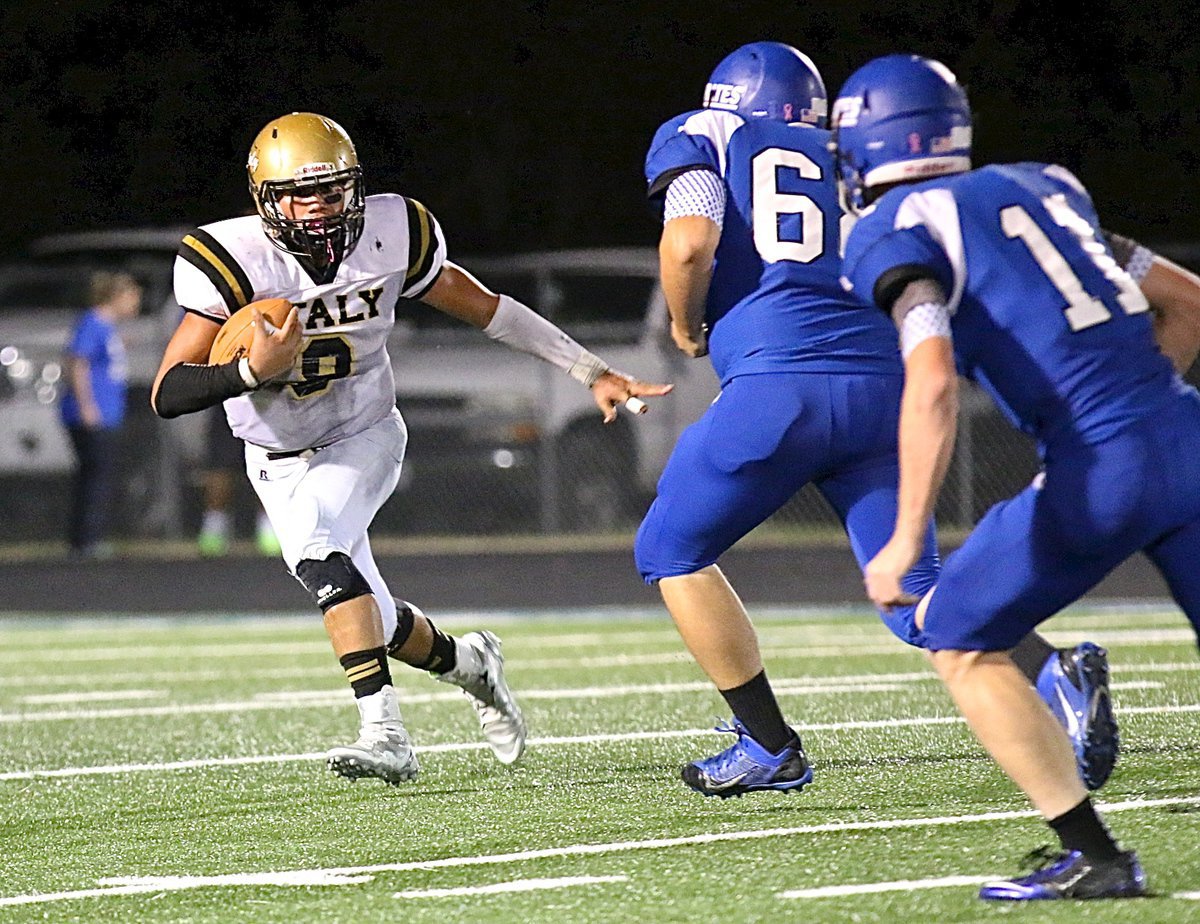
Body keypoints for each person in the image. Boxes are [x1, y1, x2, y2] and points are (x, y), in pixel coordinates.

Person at [636, 42, 1119, 800]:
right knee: (912, 588)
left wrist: (685, 324)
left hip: (779, 387)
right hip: (887, 386)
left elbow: (691, 238)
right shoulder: (849, 150)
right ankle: (1051, 667)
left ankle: (767, 744)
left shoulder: (709, 133)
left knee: (670, 550)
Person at [151, 112, 672, 786]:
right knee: (374, 611)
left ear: (355, 187)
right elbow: (169, 391)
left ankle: (386, 735)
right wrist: (253, 370)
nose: (319, 210)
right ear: (266, 201)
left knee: (320, 558)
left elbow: (489, 309)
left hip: (362, 431)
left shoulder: (395, 232)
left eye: (332, 191)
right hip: (274, 459)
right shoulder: (230, 258)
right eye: (300, 196)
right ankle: (473, 665)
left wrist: (590, 370)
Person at [834, 54, 1200, 900]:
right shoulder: (1048, 186)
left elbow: (929, 381)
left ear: (864, 146)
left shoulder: (897, 228)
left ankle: (1095, 856)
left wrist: (900, 540)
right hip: (1184, 431)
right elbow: (1187, 300)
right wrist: (1144, 403)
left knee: (956, 634)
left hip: (1099, 467)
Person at [60, 271, 143, 558]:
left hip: (105, 413)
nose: (135, 305)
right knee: (97, 476)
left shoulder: (107, 327)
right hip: (94, 415)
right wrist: (87, 407)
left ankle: (85, 539)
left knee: (96, 475)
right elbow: (77, 363)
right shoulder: (92, 323)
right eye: (132, 298)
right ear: (116, 297)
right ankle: (87, 540)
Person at [196, 405, 280, 556]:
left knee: (266, 463)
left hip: (263, 404)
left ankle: (269, 530)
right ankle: (213, 532)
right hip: (236, 400)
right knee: (222, 469)